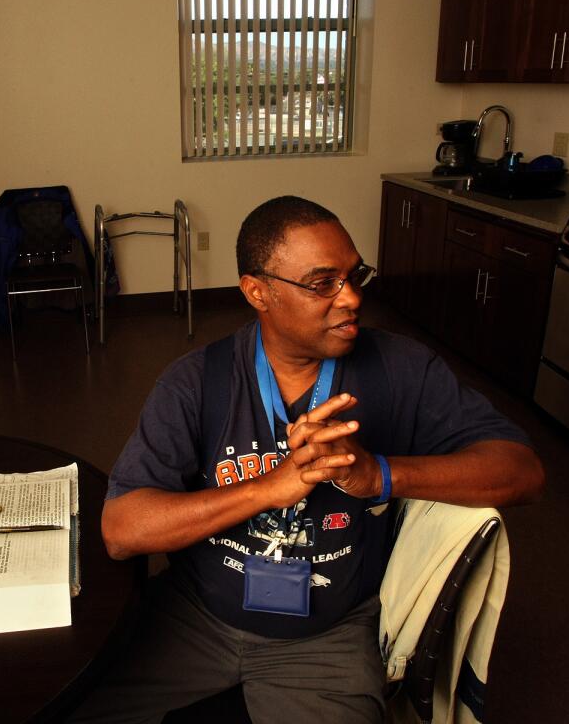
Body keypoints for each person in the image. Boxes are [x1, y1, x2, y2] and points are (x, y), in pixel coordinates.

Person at [70, 196, 544, 724]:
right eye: (324, 283)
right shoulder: (196, 382)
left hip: (330, 635)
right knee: (73, 706)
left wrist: (380, 474)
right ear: (258, 291)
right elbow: (122, 528)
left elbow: (522, 471)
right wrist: (270, 488)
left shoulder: (401, 370)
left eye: (355, 274)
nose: (353, 298)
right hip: (196, 616)